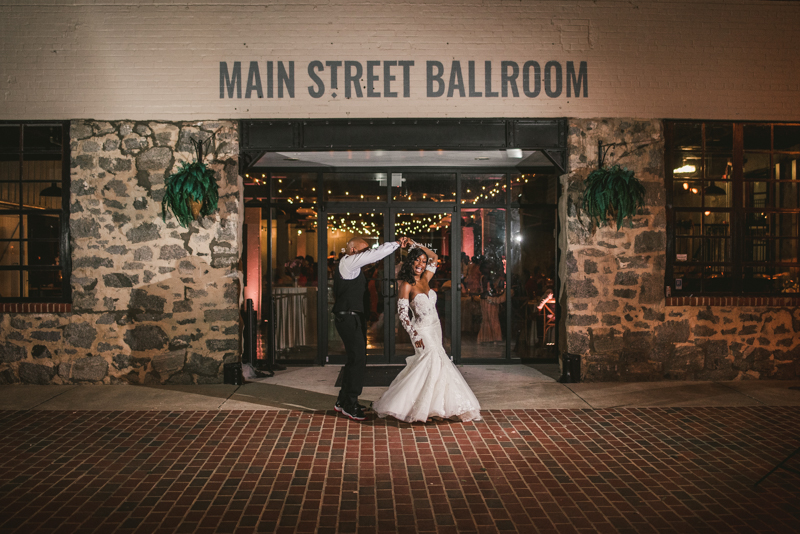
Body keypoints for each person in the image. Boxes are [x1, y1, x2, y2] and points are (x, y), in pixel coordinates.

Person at [372, 240, 481, 423]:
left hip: (435, 327)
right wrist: (414, 335)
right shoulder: (406, 285)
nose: (421, 265)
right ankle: (414, 408)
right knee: (429, 363)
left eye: (423, 262)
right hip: (421, 330)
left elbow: (435, 257)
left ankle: (433, 408)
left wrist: (415, 244)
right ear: (410, 262)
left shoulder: (425, 279)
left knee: (437, 366)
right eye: (417, 261)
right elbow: (403, 314)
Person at [334, 235, 409, 421]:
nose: (367, 253)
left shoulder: (352, 266)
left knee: (354, 359)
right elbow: (376, 254)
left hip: (352, 317)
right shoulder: (349, 263)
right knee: (358, 359)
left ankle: (343, 400)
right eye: (364, 250)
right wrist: (397, 244)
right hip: (347, 317)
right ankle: (350, 404)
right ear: (353, 250)